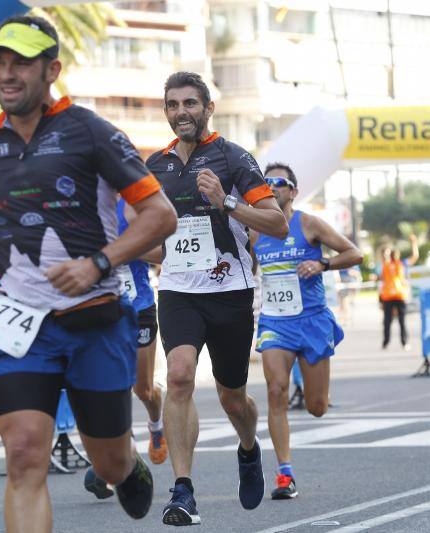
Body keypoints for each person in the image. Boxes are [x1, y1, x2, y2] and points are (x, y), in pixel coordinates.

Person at [0, 16, 177, 532]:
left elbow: (161, 216)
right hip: (19, 328)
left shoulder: (90, 132)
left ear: (52, 70)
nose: (7, 74)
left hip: (93, 320)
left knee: (107, 461)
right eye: (0, 64)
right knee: (25, 454)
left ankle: (126, 465)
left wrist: (99, 262)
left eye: (21, 64)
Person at [142, 71, 288, 526]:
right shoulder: (155, 166)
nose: (180, 112)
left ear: (208, 109)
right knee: (180, 376)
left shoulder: (234, 157)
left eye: (189, 104)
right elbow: (150, 241)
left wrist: (225, 200)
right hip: (179, 291)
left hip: (230, 292)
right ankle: (183, 490)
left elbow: (276, 223)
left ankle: (248, 447)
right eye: (172, 105)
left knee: (232, 397)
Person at [251, 162, 362, 500]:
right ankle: (285, 473)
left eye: (280, 182)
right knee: (275, 390)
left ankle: (316, 400)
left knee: (316, 406)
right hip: (274, 322)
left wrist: (322, 264)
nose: (272, 186)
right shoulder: (254, 231)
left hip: (311, 320)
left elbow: (354, 253)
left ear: (293, 190)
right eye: (266, 181)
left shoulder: (309, 224)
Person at [83, 198, 169, 500]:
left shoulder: (129, 209)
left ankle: (156, 423)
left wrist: (125, 250)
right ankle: (119, 457)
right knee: (109, 385)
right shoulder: (76, 211)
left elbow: (163, 253)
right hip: (101, 310)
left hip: (139, 308)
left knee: (142, 389)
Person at [378, 236, 419, 351]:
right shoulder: (385, 265)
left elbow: (414, 257)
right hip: (389, 296)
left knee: (401, 321)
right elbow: (381, 277)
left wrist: (414, 243)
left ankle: (404, 342)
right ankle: (386, 342)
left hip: (399, 295)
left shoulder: (401, 264)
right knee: (388, 321)